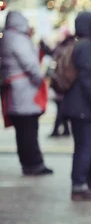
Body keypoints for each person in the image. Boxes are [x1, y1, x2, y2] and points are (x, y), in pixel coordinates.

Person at [61, 10, 91, 200]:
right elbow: (89, 78)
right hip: (83, 107)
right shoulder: (86, 46)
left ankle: (80, 184)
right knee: (84, 146)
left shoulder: (78, 43)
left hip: (76, 105)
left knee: (82, 145)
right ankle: (79, 186)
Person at [0, 11, 53, 176]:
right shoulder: (17, 39)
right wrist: (39, 79)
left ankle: (29, 162)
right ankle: (33, 163)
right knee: (28, 130)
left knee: (23, 130)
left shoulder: (7, 37)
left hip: (16, 91)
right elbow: (30, 63)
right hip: (24, 91)